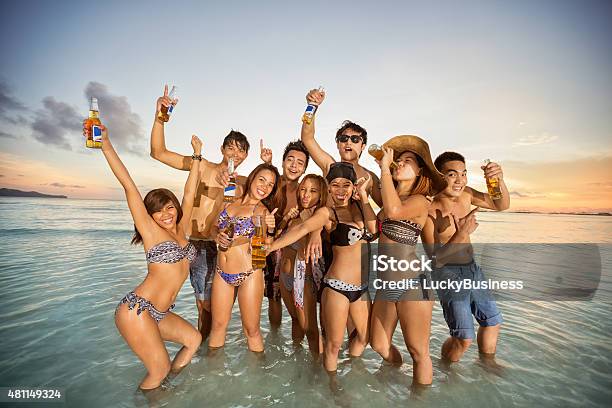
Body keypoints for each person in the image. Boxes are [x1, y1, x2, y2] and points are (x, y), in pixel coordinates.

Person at [86, 122, 203, 390]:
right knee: (157, 369)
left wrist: (196, 155)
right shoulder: (151, 232)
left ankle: (167, 389)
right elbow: (129, 185)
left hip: (158, 313)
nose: (166, 214)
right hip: (136, 309)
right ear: (149, 217)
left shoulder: (183, 231)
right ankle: (153, 392)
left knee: (193, 340)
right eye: (157, 212)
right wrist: (105, 144)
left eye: (169, 207)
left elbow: (190, 191)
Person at [150, 85, 250, 342]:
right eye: (231, 148)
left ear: (246, 156)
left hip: (226, 247)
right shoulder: (201, 166)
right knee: (203, 307)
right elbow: (158, 153)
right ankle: (201, 351)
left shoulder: (244, 182)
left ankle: (209, 355)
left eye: (241, 150)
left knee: (220, 311)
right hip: (196, 244)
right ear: (222, 149)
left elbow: (272, 190)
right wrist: (159, 117)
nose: (235, 154)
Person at [267, 162, 377, 372]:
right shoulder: (327, 213)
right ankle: (332, 388)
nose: (341, 190)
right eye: (335, 185)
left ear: (354, 186)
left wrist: (363, 195)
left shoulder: (361, 208)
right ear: (329, 188)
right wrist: (272, 246)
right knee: (333, 345)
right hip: (336, 286)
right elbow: (305, 227)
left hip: (362, 288)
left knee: (364, 338)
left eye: (346, 184)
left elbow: (372, 230)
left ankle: (352, 374)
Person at [369, 135, 446, 385]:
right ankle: (393, 374)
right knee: (378, 344)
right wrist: (361, 198)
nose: (399, 163)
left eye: (407, 160)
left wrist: (382, 168)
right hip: (385, 284)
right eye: (397, 160)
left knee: (418, 351)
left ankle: (419, 400)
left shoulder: (420, 201)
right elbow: (374, 228)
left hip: (412, 284)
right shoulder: (391, 200)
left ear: (420, 171)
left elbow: (394, 212)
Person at [421, 151, 510, 363]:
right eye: (452, 174)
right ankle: (446, 370)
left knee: (492, 322)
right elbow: (435, 260)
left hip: (472, 269)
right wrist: (462, 234)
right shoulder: (428, 208)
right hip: (448, 274)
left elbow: (501, 205)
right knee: (464, 339)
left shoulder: (466, 195)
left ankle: (487, 367)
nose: (460, 180)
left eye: (463, 173)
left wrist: (499, 180)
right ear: (439, 176)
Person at [208, 163, 280, 352]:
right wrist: (217, 236)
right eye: (262, 180)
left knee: (252, 331)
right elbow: (213, 227)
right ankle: (211, 377)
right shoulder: (229, 198)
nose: (264, 187)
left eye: (270, 185)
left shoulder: (262, 212)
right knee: (217, 327)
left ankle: (258, 377)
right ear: (252, 178)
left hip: (249, 275)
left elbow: (261, 253)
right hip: (221, 273)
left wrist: (269, 230)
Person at [300, 88, 383, 208]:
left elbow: (385, 208)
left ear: (363, 146)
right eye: (343, 139)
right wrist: (312, 106)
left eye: (355, 139)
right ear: (338, 144)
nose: (348, 142)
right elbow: (307, 138)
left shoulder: (369, 177)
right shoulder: (329, 166)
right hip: (327, 224)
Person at [276, 174, 328, 356]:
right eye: (303, 189)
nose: (306, 195)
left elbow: (311, 227)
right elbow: (280, 238)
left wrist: (316, 230)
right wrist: (285, 220)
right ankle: (296, 359)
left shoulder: (320, 215)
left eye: (313, 191)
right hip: (284, 277)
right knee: (295, 321)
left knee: (310, 328)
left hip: (303, 279)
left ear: (321, 195)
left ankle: (316, 370)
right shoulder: (296, 214)